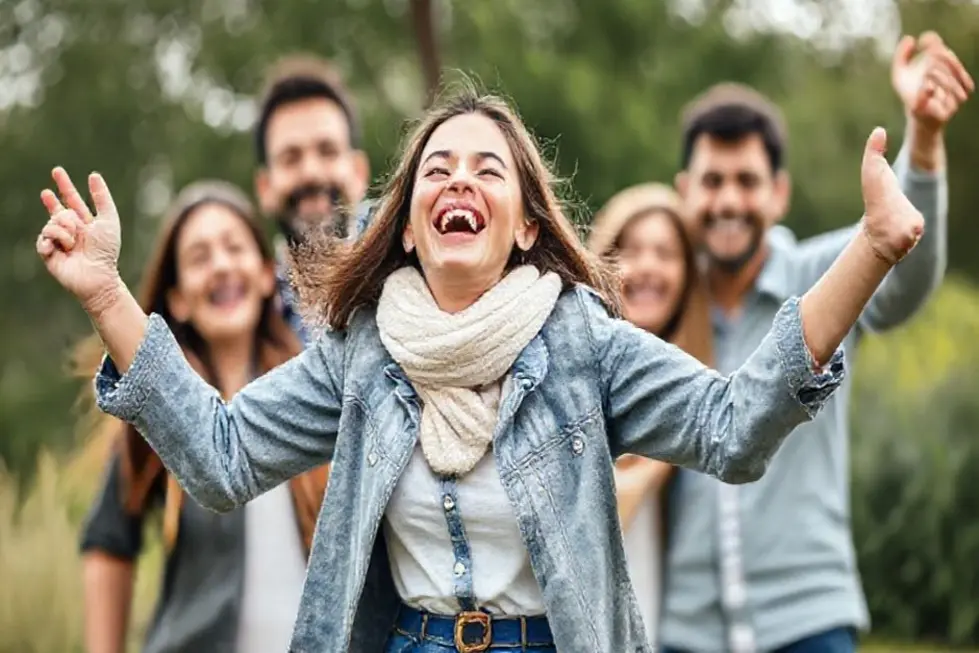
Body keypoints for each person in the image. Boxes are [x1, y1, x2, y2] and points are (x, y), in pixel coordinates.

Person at [38, 81, 925, 652]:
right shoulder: (360, 352)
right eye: (437, 169)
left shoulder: (584, 343)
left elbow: (731, 429)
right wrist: (107, 291)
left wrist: (871, 249)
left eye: (487, 170)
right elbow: (222, 457)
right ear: (408, 223)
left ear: (527, 223)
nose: (459, 180)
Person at [658, 33, 974, 653]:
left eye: (746, 181)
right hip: (685, 628)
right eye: (712, 181)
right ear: (684, 191)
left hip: (808, 619)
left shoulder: (821, 277)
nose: (728, 200)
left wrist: (924, 138)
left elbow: (904, 269)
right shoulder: (663, 304)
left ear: (778, 193)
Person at [74, 181, 330, 653]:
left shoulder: (316, 389)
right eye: (199, 257)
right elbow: (109, 542)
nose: (221, 265)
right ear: (177, 298)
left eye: (234, 247)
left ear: (265, 274)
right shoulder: (154, 413)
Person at [588, 182, 712, 645]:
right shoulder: (572, 376)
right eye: (630, 250)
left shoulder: (699, 388)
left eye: (665, 253)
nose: (647, 267)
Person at [252, 54, 372, 342]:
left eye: (327, 151)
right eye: (290, 158)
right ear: (265, 188)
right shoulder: (246, 317)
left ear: (358, 172)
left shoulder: (415, 273)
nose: (311, 173)